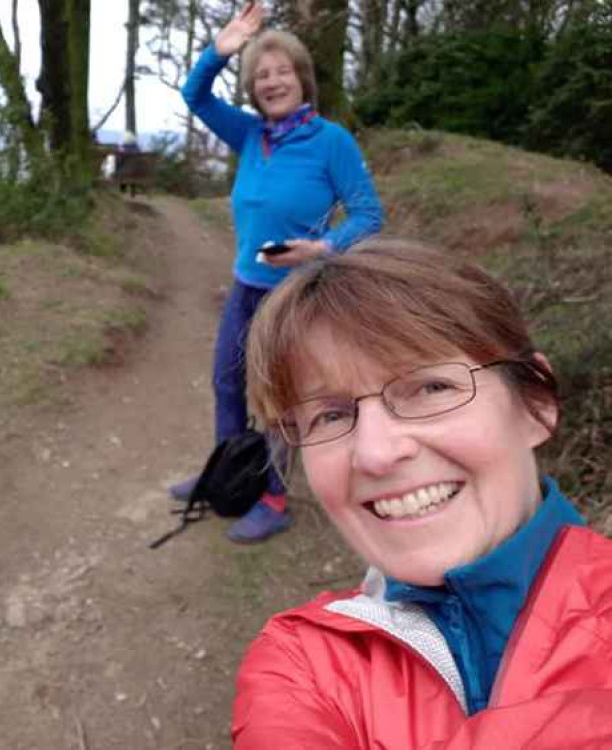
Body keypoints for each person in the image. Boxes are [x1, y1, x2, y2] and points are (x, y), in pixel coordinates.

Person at [232, 239, 612, 748]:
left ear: (536, 403)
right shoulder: (301, 665)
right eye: (331, 415)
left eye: (431, 388)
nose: (375, 453)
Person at [174, 0, 383, 543]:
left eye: (281, 72)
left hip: (296, 295)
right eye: (261, 75)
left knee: (275, 400)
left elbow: (368, 214)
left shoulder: (331, 142)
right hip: (247, 286)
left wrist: (321, 248)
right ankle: (228, 475)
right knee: (226, 384)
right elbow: (194, 96)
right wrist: (221, 50)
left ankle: (271, 497)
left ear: (302, 80)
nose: (271, 81)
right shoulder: (248, 135)